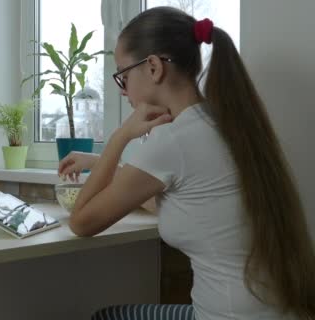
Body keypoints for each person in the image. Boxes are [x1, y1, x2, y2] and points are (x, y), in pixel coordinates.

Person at [57, 6, 315, 320]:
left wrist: (119, 137)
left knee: (109, 316)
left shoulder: (174, 140)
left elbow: (81, 222)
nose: (122, 90)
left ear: (153, 67)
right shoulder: (225, 123)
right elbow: (178, 199)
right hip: (276, 312)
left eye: (123, 76)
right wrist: (98, 161)